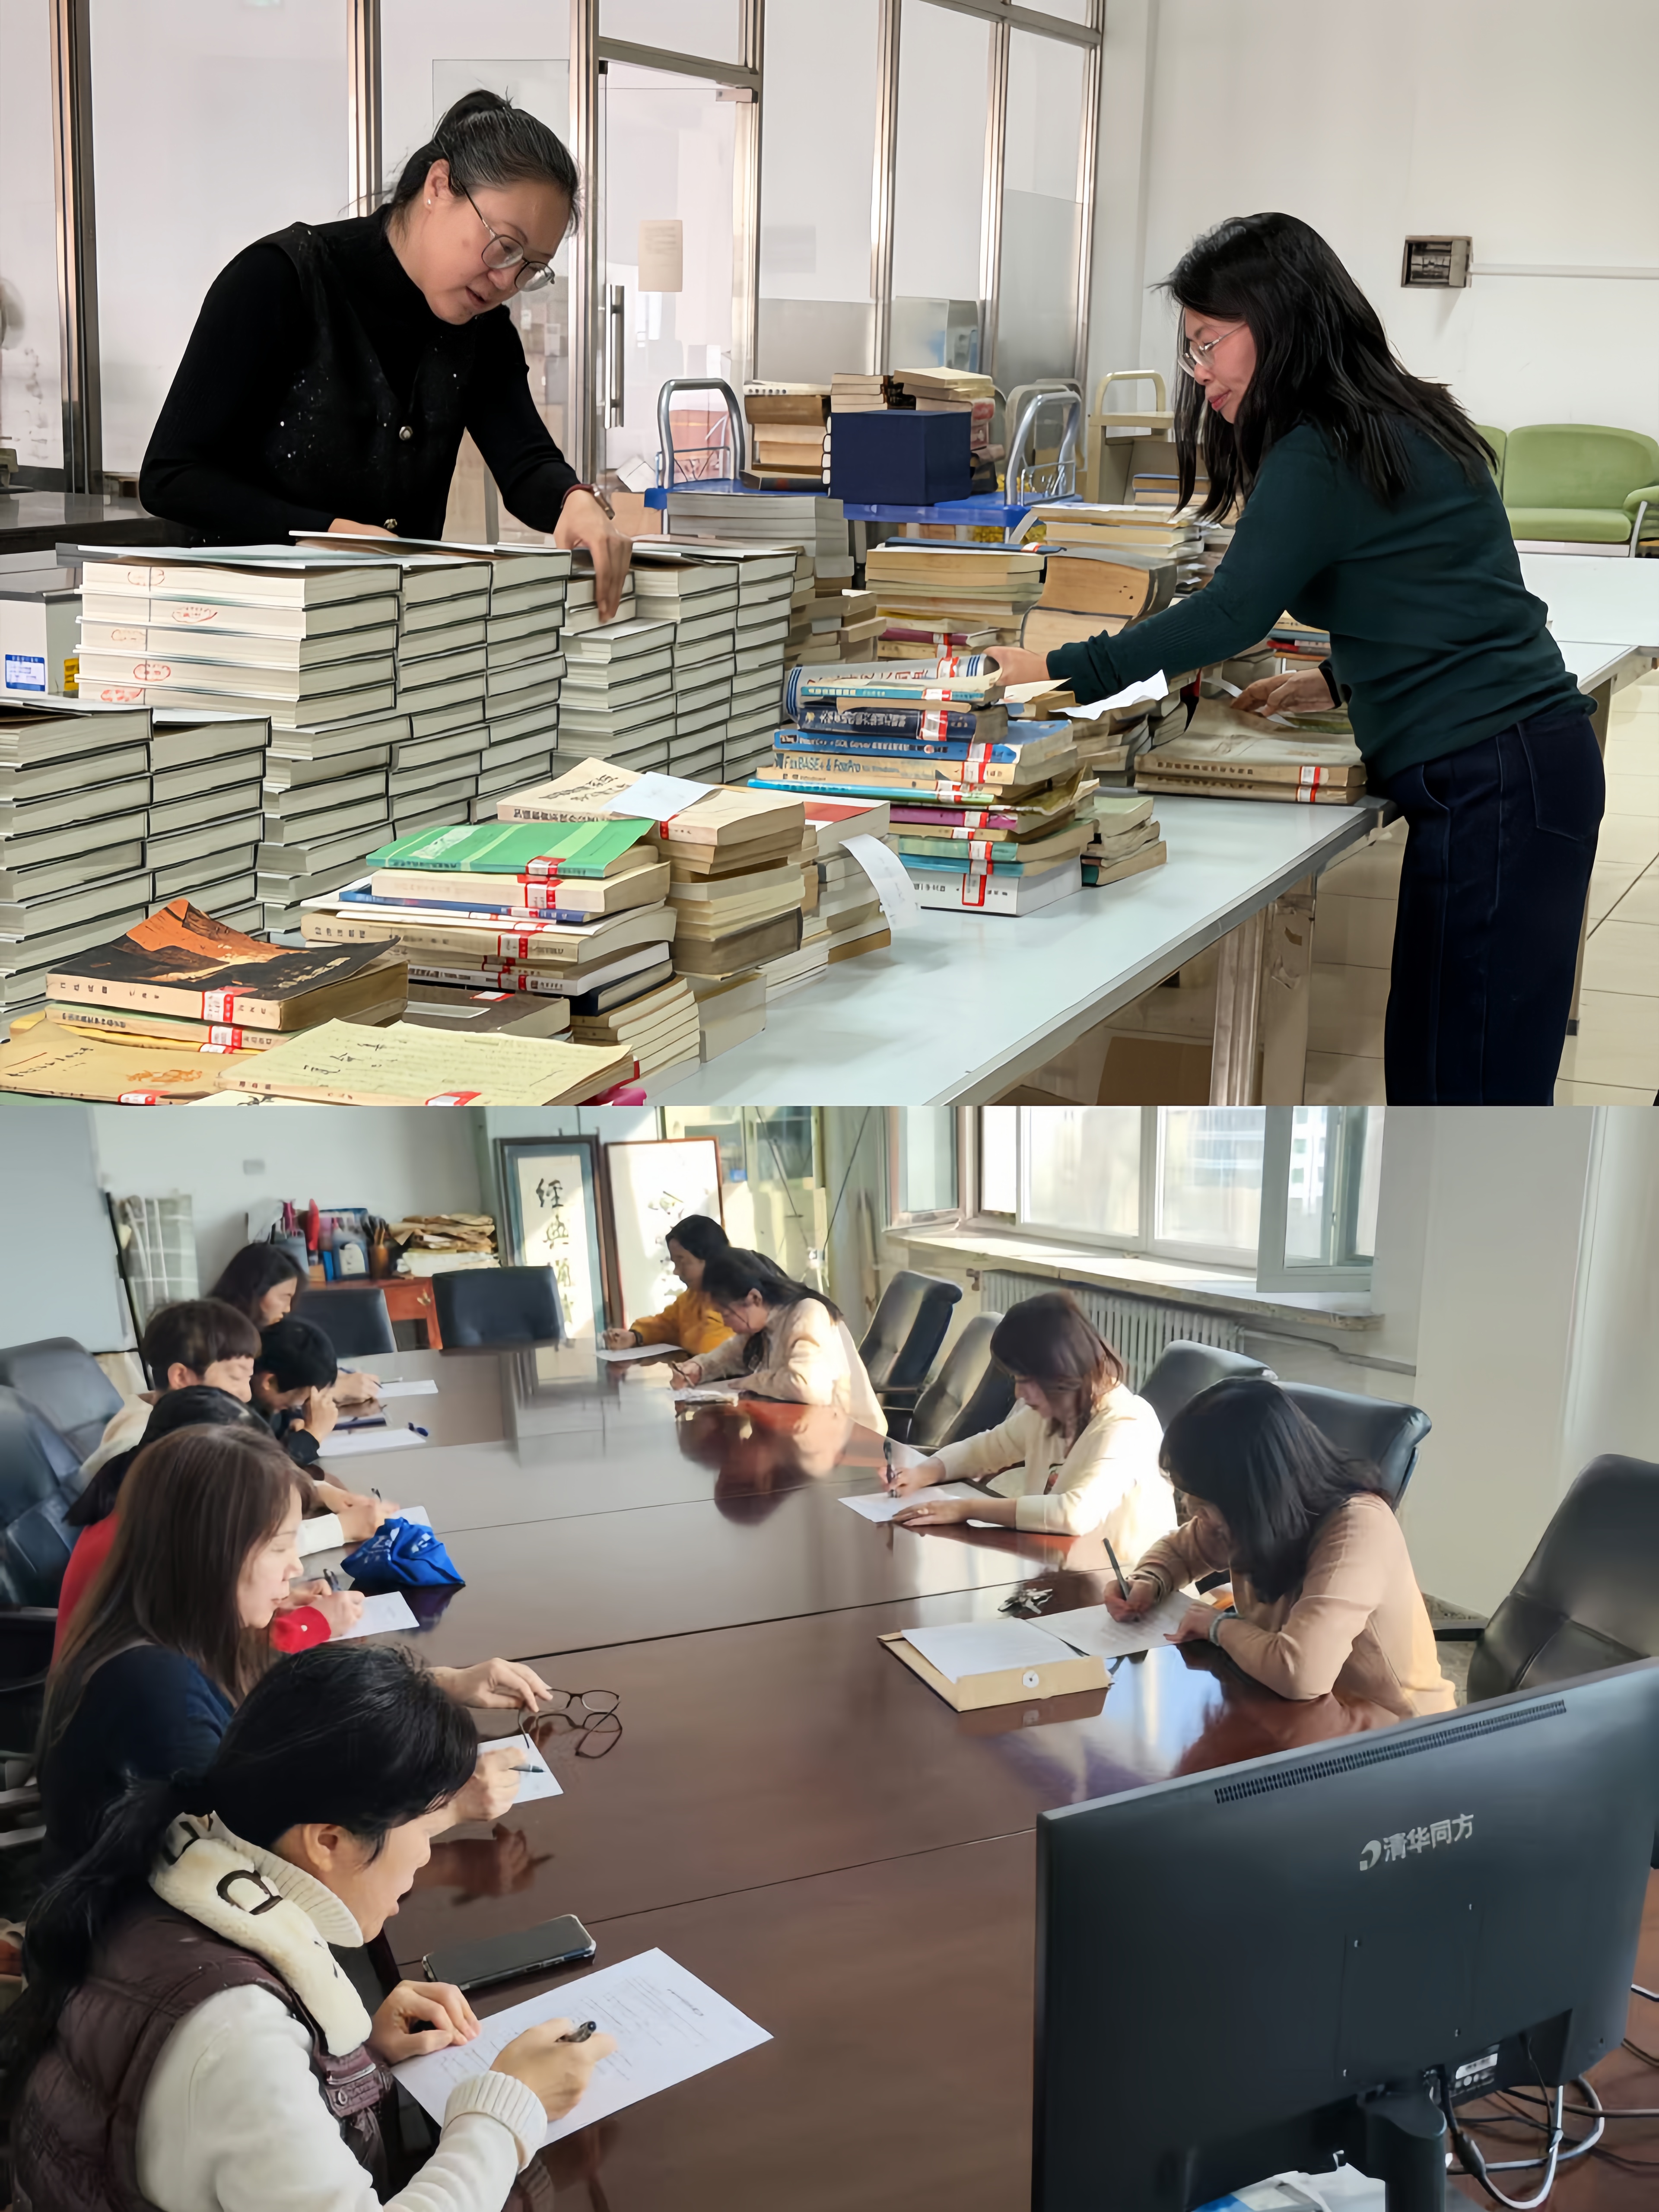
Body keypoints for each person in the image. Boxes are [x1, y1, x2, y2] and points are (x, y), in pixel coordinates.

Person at [987, 213, 1601, 1107]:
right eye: (1190, 348)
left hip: (1498, 781)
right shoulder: (1400, 417)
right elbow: (1448, 584)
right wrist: (1343, 678)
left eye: (1210, 342)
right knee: (1447, 1075)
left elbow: (1231, 613)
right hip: (1517, 770)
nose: (1199, 371)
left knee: (1466, 1093)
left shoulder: (1323, 447)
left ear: (1278, 318)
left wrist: (1058, 665)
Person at [5, 1642, 615, 2212]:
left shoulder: (172, 1871)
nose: (427, 1855)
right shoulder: (240, 2034)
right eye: (427, 1828)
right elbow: (237, 2071)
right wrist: (507, 2109)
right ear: (328, 1841)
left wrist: (353, 2062)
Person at [139, 89, 630, 619]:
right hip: (244, 624)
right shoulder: (280, 279)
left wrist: (574, 500)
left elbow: (525, 461)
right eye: (504, 246)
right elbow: (172, 475)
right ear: (439, 186)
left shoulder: (482, 328)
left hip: (387, 631)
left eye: (531, 267)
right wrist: (326, 533)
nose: (507, 281)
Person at [38, 1427, 550, 1875]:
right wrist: (447, 1807)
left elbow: (288, 1717)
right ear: (214, 1554)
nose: (295, 1567)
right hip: (146, 1935)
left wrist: (436, 1685)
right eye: (282, 1546)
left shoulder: (184, 1630)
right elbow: (270, 1863)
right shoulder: (156, 1690)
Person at [1106, 1377, 1454, 1718]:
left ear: (1250, 1489)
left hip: (1398, 1733)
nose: (1191, 1508)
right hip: (1295, 1711)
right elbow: (1182, 1551)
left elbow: (1301, 1673)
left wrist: (1217, 1627)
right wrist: (1149, 1580)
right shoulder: (1248, 1518)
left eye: (1202, 1497)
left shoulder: (1359, 1527)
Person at [54, 1387, 363, 1659]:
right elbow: (209, 1663)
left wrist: (260, 1603)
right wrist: (307, 1626)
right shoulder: (144, 1546)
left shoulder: (149, 1512)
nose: (294, 1567)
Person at [888, 1291, 1176, 1548]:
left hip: (1126, 1580)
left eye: (1026, 1380)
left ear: (1061, 1372)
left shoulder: (1127, 1425)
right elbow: (984, 1449)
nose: (1019, 1393)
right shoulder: (1053, 1411)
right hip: (1061, 1561)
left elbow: (1073, 1515)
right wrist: (924, 1472)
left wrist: (965, 1509)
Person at [671, 1249, 887, 1434]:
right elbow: (728, 1356)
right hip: (807, 1435)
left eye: (726, 1314)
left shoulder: (807, 1312)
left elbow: (807, 1387)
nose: (725, 1323)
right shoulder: (762, 1325)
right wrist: (698, 1368)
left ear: (754, 1299)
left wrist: (748, 1383)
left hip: (853, 1441)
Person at [78, 1296, 262, 1481]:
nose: (246, 1396)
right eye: (235, 1378)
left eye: (248, 1378)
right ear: (181, 1377)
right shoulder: (141, 1450)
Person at [213, 1241, 378, 1402]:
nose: (288, 1309)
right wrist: (328, 1391)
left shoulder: (245, 1331)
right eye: (285, 1297)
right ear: (255, 1290)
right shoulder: (222, 1343)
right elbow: (259, 1400)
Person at [601, 1214, 733, 1356]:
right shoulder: (691, 1298)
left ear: (711, 1259)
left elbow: (710, 1348)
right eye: (675, 1263)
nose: (676, 1271)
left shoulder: (738, 1299)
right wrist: (635, 1337)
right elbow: (666, 1325)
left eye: (682, 1262)